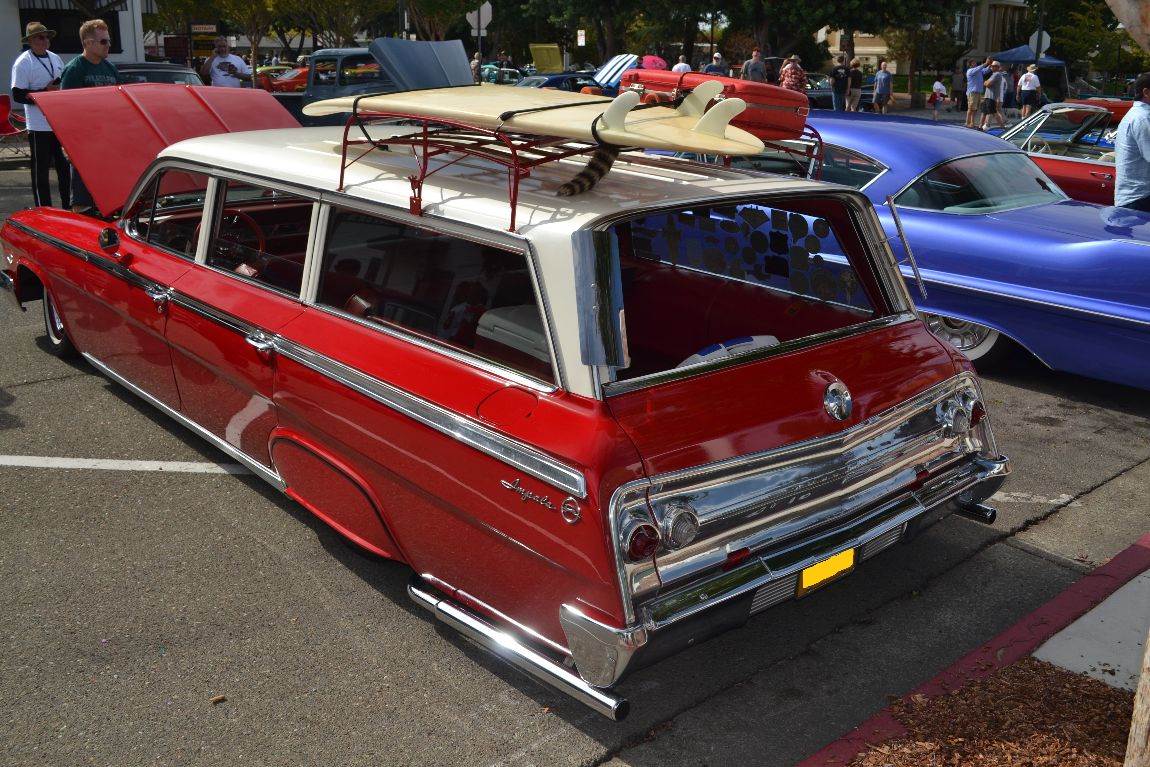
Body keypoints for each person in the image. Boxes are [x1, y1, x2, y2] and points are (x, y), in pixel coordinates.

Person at [59, 19, 118, 215]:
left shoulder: (110, 69)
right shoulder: (75, 69)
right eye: (103, 41)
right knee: (83, 197)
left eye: (109, 41)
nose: (108, 45)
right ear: (88, 43)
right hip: (83, 141)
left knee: (107, 193)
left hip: (106, 138)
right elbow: (65, 109)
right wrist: (67, 142)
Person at [11, 22, 68, 208]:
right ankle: (43, 209)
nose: (45, 41)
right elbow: (18, 94)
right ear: (30, 41)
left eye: (46, 37)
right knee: (40, 171)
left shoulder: (55, 58)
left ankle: (68, 205)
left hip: (57, 123)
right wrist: (45, 91)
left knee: (63, 167)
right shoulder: (23, 62)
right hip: (38, 126)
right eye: (40, 37)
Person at [1114, 72, 1150, 212]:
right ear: (1146, 92)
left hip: (1133, 196)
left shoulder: (1134, 115)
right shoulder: (1143, 118)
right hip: (1140, 198)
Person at [979, 60, 1007, 131]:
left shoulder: (997, 74)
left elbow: (987, 84)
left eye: (993, 66)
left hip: (991, 97)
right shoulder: (993, 74)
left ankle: (1002, 127)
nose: (992, 67)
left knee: (993, 112)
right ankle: (980, 126)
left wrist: (986, 82)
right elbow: (986, 83)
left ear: (997, 67)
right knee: (984, 111)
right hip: (987, 96)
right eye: (991, 66)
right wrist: (986, 82)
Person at [965, 57, 992, 128]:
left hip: (978, 92)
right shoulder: (970, 71)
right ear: (970, 64)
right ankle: (967, 123)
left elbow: (986, 70)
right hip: (972, 92)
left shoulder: (978, 70)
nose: (975, 63)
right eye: (973, 62)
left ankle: (972, 123)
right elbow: (979, 68)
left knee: (975, 109)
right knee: (970, 108)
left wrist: (990, 64)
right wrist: (986, 63)